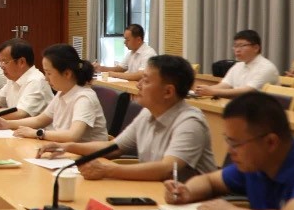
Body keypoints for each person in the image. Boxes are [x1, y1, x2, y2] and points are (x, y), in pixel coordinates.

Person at [39, 54, 216, 181]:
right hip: (154, 193)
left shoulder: (190, 122)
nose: (138, 85)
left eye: (146, 80)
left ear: (168, 91)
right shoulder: (147, 113)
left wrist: (109, 170)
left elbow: (167, 169)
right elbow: (113, 148)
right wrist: (67, 146)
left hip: (192, 206)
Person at [0, 43, 107, 143]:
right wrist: (7, 124)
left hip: (86, 156)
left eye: (49, 73)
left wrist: (36, 133)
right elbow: (39, 120)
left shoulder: (84, 98)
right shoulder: (62, 93)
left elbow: (73, 135)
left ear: (67, 74)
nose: (46, 78)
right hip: (64, 150)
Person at [195, 29, 279, 98]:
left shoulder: (266, 68)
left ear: (256, 48)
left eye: (242, 46)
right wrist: (203, 90)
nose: (237, 50)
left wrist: (212, 91)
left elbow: (247, 91)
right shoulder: (238, 65)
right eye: (235, 46)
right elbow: (225, 85)